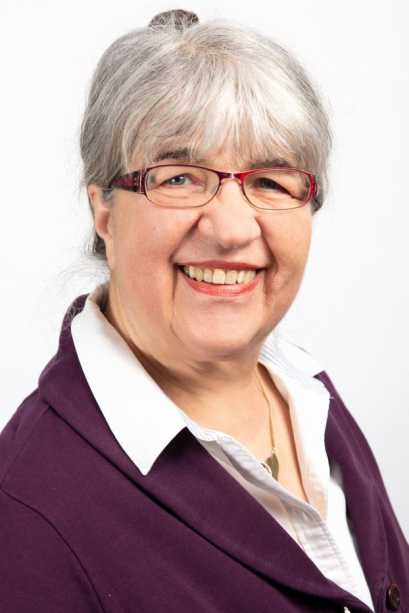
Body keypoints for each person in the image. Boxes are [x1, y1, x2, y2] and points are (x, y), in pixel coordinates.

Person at [0, 9, 407, 613]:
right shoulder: (26, 516)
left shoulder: (308, 393)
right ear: (103, 210)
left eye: (270, 182)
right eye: (180, 178)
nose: (232, 229)